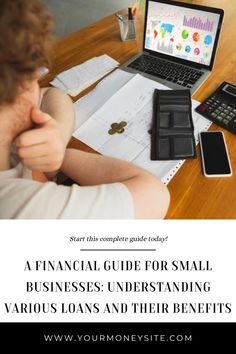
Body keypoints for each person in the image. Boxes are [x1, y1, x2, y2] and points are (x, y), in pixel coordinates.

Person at [0, 0, 170, 219]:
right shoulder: (24, 208)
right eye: (37, 74)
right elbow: (155, 195)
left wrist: (58, 137)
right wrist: (62, 157)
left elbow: (52, 94)